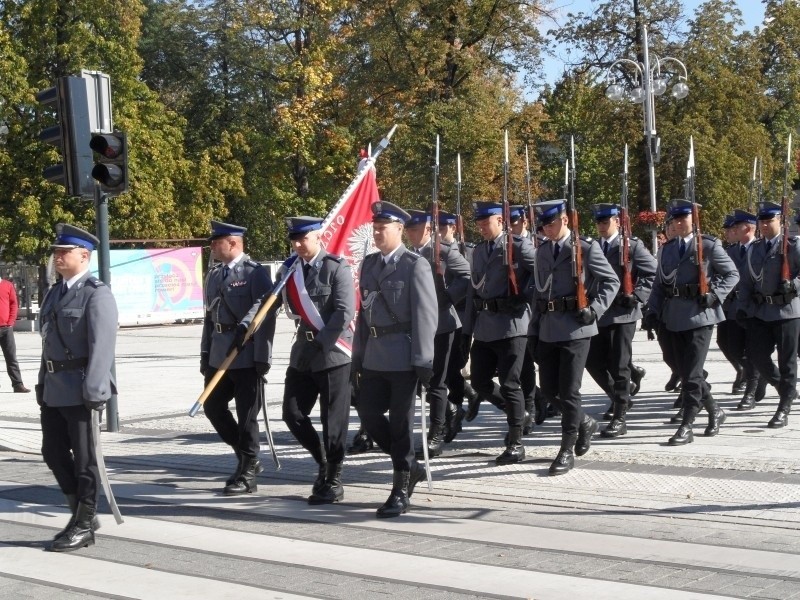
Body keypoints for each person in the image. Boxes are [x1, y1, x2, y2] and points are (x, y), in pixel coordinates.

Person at [352, 201, 438, 518]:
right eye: (374, 228)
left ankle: (400, 487)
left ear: (399, 229)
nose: (376, 233)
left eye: (382, 228)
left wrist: (424, 360)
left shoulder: (415, 265)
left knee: (401, 425)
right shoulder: (370, 264)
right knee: (369, 415)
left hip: (404, 357)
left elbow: (426, 315)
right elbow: (363, 315)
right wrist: (357, 358)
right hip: (374, 355)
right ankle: (410, 465)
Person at [37, 224, 118, 552]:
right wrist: (42, 382)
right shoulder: (55, 293)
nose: (57, 256)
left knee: (85, 460)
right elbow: (48, 342)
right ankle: (80, 514)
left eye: (64, 251)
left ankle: (84, 523)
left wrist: (94, 391)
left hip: (82, 387)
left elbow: (102, 348)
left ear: (83, 256)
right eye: (56, 251)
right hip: (54, 387)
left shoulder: (97, 294)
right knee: (53, 453)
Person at [530, 200, 619, 475]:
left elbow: (611, 281)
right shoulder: (542, 251)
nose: (547, 229)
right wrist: (533, 330)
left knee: (569, 391)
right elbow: (538, 294)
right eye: (543, 225)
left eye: (551, 223)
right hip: (547, 328)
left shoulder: (585, 248)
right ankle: (584, 422)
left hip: (576, 329)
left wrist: (594, 310)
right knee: (549, 389)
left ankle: (566, 448)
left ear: (565, 221)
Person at [645, 200, 739, 445]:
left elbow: (732, 274)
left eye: (682, 218)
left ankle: (687, 425)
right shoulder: (667, 249)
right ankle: (715, 409)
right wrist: (651, 311)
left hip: (700, 316)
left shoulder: (708, 245)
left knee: (692, 373)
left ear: (693, 219)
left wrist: (715, 294)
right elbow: (659, 284)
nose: (678, 223)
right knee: (684, 371)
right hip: (672, 316)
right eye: (674, 219)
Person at [276, 216, 354, 504]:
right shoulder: (289, 271)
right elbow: (271, 303)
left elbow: (344, 312)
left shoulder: (337, 268)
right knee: (292, 413)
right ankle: (322, 460)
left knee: (333, 422)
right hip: (302, 354)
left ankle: (333, 479)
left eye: (303, 238)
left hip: (333, 354)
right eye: (293, 239)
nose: (297, 244)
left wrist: (321, 344)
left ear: (318, 237)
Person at [200, 220, 275, 495]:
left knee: (247, 417)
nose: (212, 246)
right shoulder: (214, 275)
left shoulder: (254, 273)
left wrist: (261, 357)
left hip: (244, 353)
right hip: (219, 353)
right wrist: (205, 352)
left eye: (216, 242)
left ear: (233, 243)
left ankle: (247, 472)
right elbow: (209, 317)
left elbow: (266, 310)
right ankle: (246, 457)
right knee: (212, 406)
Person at [462, 201, 537, 464]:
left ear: (500, 221)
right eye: (479, 224)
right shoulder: (480, 251)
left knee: (510, 384)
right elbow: (473, 290)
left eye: (486, 223)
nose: (482, 228)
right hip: (484, 326)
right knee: (480, 382)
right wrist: (468, 328)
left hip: (511, 325)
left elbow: (542, 273)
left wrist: (524, 296)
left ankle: (516, 442)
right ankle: (516, 413)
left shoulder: (517, 245)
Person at [584, 204, 656, 438]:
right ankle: (619, 397)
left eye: (606, 222)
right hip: (598, 313)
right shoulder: (592, 247)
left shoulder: (631, 246)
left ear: (617, 221)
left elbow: (652, 272)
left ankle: (620, 416)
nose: (601, 227)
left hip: (622, 313)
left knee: (619, 365)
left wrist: (637, 296)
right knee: (593, 362)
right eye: (599, 223)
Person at [405, 209, 470, 457]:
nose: (411, 234)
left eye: (415, 229)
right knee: (421, 379)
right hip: (417, 327)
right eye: (409, 230)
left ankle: (436, 434)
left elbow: (466, 275)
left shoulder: (442, 251)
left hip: (443, 325)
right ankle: (451, 410)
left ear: (428, 230)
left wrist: (446, 298)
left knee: (436, 382)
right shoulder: (409, 256)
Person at [737, 201, 800, 428]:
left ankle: (783, 408)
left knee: (787, 363)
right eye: (761, 221)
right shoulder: (755, 248)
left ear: (781, 221)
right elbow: (745, 281)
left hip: (787, 312)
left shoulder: (793, 245)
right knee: (756, 357)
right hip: (760, 312)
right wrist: (743, 306)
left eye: (769, 221)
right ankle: (785, 390)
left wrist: (793, 285)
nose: (764, 225)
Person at [437, 211, 478, 442]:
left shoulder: (467, 251)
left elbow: (471, 285)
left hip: (462, 315)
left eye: (444, 228)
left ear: (453, 228)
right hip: (442, 318)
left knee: (451, 368)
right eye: (438, 228)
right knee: (447, 370)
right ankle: (462, 403)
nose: (440, 232)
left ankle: (455, 413)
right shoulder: (433, 253)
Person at [0, 274, 30, 392]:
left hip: (6, 328)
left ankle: (17, 384)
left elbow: (14, 303)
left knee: (11, 357)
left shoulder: (7, 285)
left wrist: (10, 322)